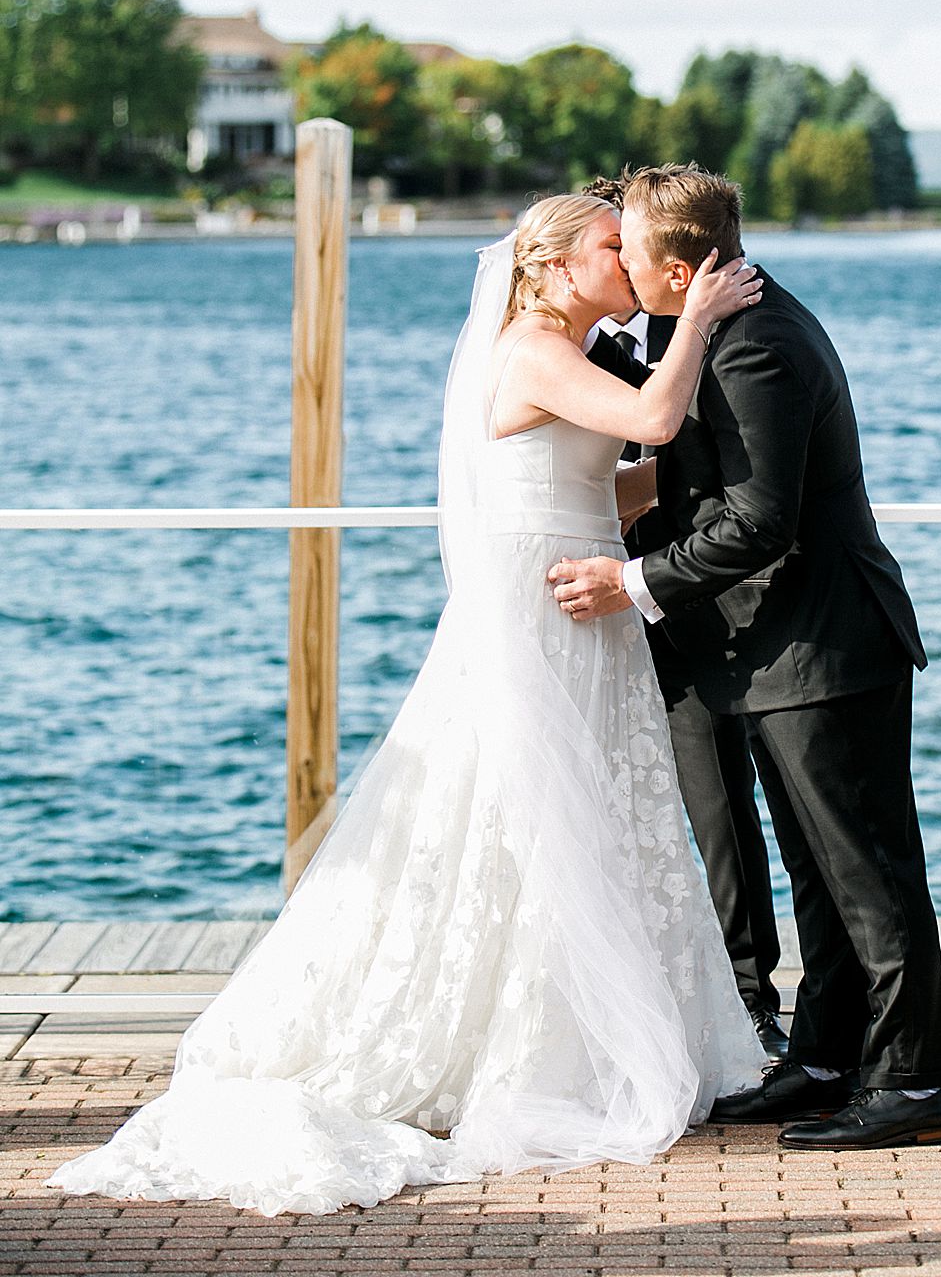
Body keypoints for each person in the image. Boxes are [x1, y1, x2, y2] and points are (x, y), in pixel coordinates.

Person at [47, 194, 766, 1217]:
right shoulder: (529, 347)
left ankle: (586, 1017)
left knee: (582, 811)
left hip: (585, 591)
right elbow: (651, 419)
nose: (632, 253)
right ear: (556, 267)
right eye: (613, 242)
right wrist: (696, 314)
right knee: (512, 804)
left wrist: (692, 496)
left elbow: (596, 487)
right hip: (536, 607)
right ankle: (507, 1037)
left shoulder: (571, 349)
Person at [549, 165, 941, 1152]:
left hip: (826, 643)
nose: (622, 261)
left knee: (868, 871)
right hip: (780, 651)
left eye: (631, 249)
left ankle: (909, 1086)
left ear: (681, 270)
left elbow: (762, 520)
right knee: (816, 871)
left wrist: (630, 587)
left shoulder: (757, 344)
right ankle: (821, 1060)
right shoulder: (724, 324)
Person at [583, 178, 787, 1060]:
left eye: (624, 245)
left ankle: (745, 998)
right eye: (610, 247)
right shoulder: (553, 347)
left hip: (684, 601)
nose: (622, 262)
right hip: (583, 600)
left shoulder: (695, 323)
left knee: (717, 803)